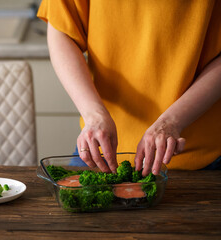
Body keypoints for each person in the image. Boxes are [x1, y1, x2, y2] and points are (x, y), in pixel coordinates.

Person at [37, 0, 221, 176]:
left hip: (202, 156)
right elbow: (62, 31)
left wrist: (171, 122)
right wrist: (94, 115)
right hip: (99, 147)